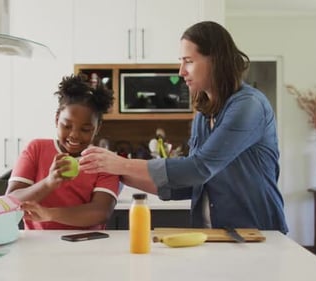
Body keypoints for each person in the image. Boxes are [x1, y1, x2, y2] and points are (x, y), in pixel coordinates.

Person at [79, 21, 288, 233]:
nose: (181, 71)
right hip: (211, 235)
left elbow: (199, 168)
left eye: (188, 61)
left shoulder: (249, 106)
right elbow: (194, 183)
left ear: (216, 60)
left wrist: (121, 164)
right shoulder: (204, 113)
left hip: (257, 234)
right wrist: (113, 172)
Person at [6, 73, 120, 230]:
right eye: (67, 126)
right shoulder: (36, 149)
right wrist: (48, 183)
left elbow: (101, 211)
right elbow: (10, 201)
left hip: (87, 244)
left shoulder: (105, 161)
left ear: (97, 127)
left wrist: (50, 214)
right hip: (37, 244)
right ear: (56, 119)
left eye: (85, 129)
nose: (74, 134)